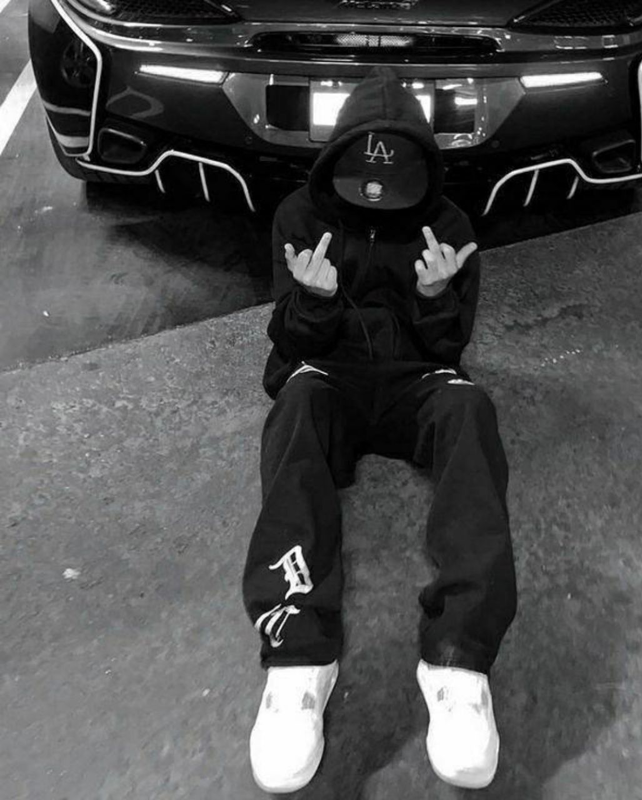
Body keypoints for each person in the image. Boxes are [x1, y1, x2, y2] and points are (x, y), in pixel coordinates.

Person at [242, 65, 517, 793]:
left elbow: (448, 348)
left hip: (413, 379)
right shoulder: (299, 218)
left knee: (471, 408)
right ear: (338, 154)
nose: (374, 180)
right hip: (328, 373)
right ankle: (298, 657)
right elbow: (290, 348)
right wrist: (313, 302)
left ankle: (459, 661)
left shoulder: (446, 228)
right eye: (361, 161)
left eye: (394, 164)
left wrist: (434, 296)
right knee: (294, 409)